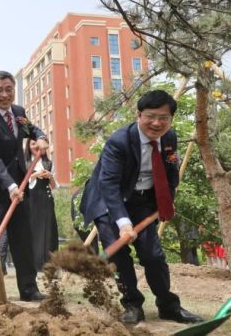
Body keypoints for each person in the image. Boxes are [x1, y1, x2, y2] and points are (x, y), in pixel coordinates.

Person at [80, 90, 202, 325]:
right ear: (139, 115)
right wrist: (123, 223)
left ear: (170, 119)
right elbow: (109, 185)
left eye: (164, 117)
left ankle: (168, 306)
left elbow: (169, 173)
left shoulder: (169, 138)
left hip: (143, 200)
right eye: (151, 116)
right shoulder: (119, 141)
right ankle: (132, 305)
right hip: (108, 200)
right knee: (119, 254)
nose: (157, 123)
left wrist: (166, 201)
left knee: (153, 255)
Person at [0, 70, 47, 302]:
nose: (5, 95)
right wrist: (10, 185)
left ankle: (28, 288)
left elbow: (30, 129)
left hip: (20, 183)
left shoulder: (18, 112)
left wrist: (41, 136)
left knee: (22, 236)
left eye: (9, 89)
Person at [25, 139, 58, 271]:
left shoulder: (48, 163)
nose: (37, 147)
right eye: (33, 144)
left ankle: (50, 263)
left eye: (39, 145)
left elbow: (54, 186)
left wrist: (50, 176)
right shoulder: (25, 163)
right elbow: (22, 184)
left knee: (49, 230)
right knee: (34, 230)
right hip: (31, 201)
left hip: (47, 199)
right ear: (28, 146)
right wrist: (34, 175)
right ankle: (35, 264)